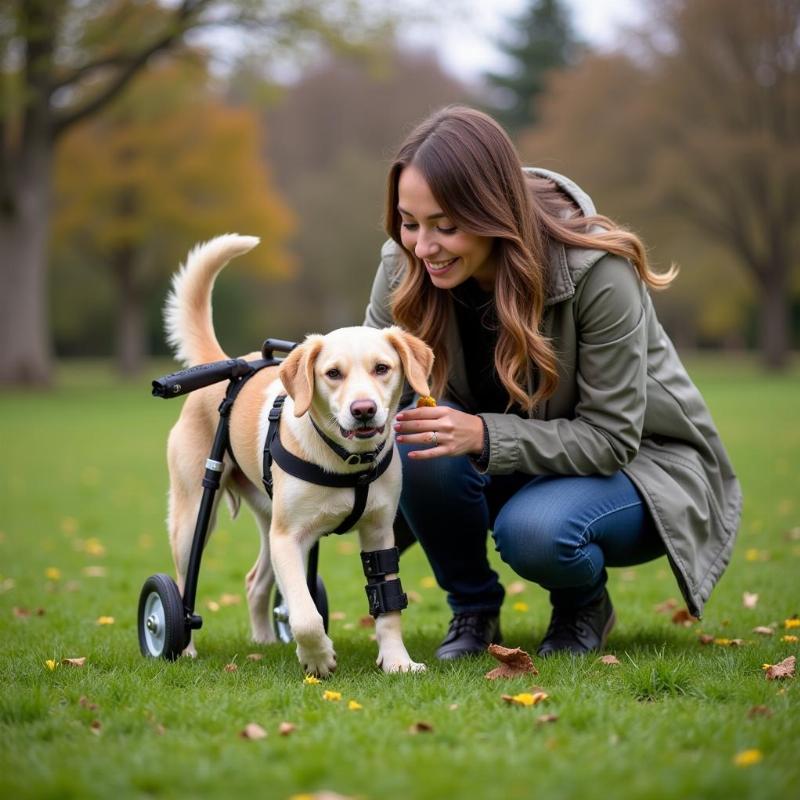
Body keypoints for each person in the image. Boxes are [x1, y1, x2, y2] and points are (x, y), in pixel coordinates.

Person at [363, 105, 742, 660]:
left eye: (446, 226)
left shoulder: (597, 272)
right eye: (409, 222)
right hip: (511, 466)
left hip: (643, 470)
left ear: (492, 211)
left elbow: (612, 439)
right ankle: (473, 610)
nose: (423, 246)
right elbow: (367, 384)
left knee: (535, 532)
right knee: (419, 441)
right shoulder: (404, 264)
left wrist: (483, 436)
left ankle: (583, 606)